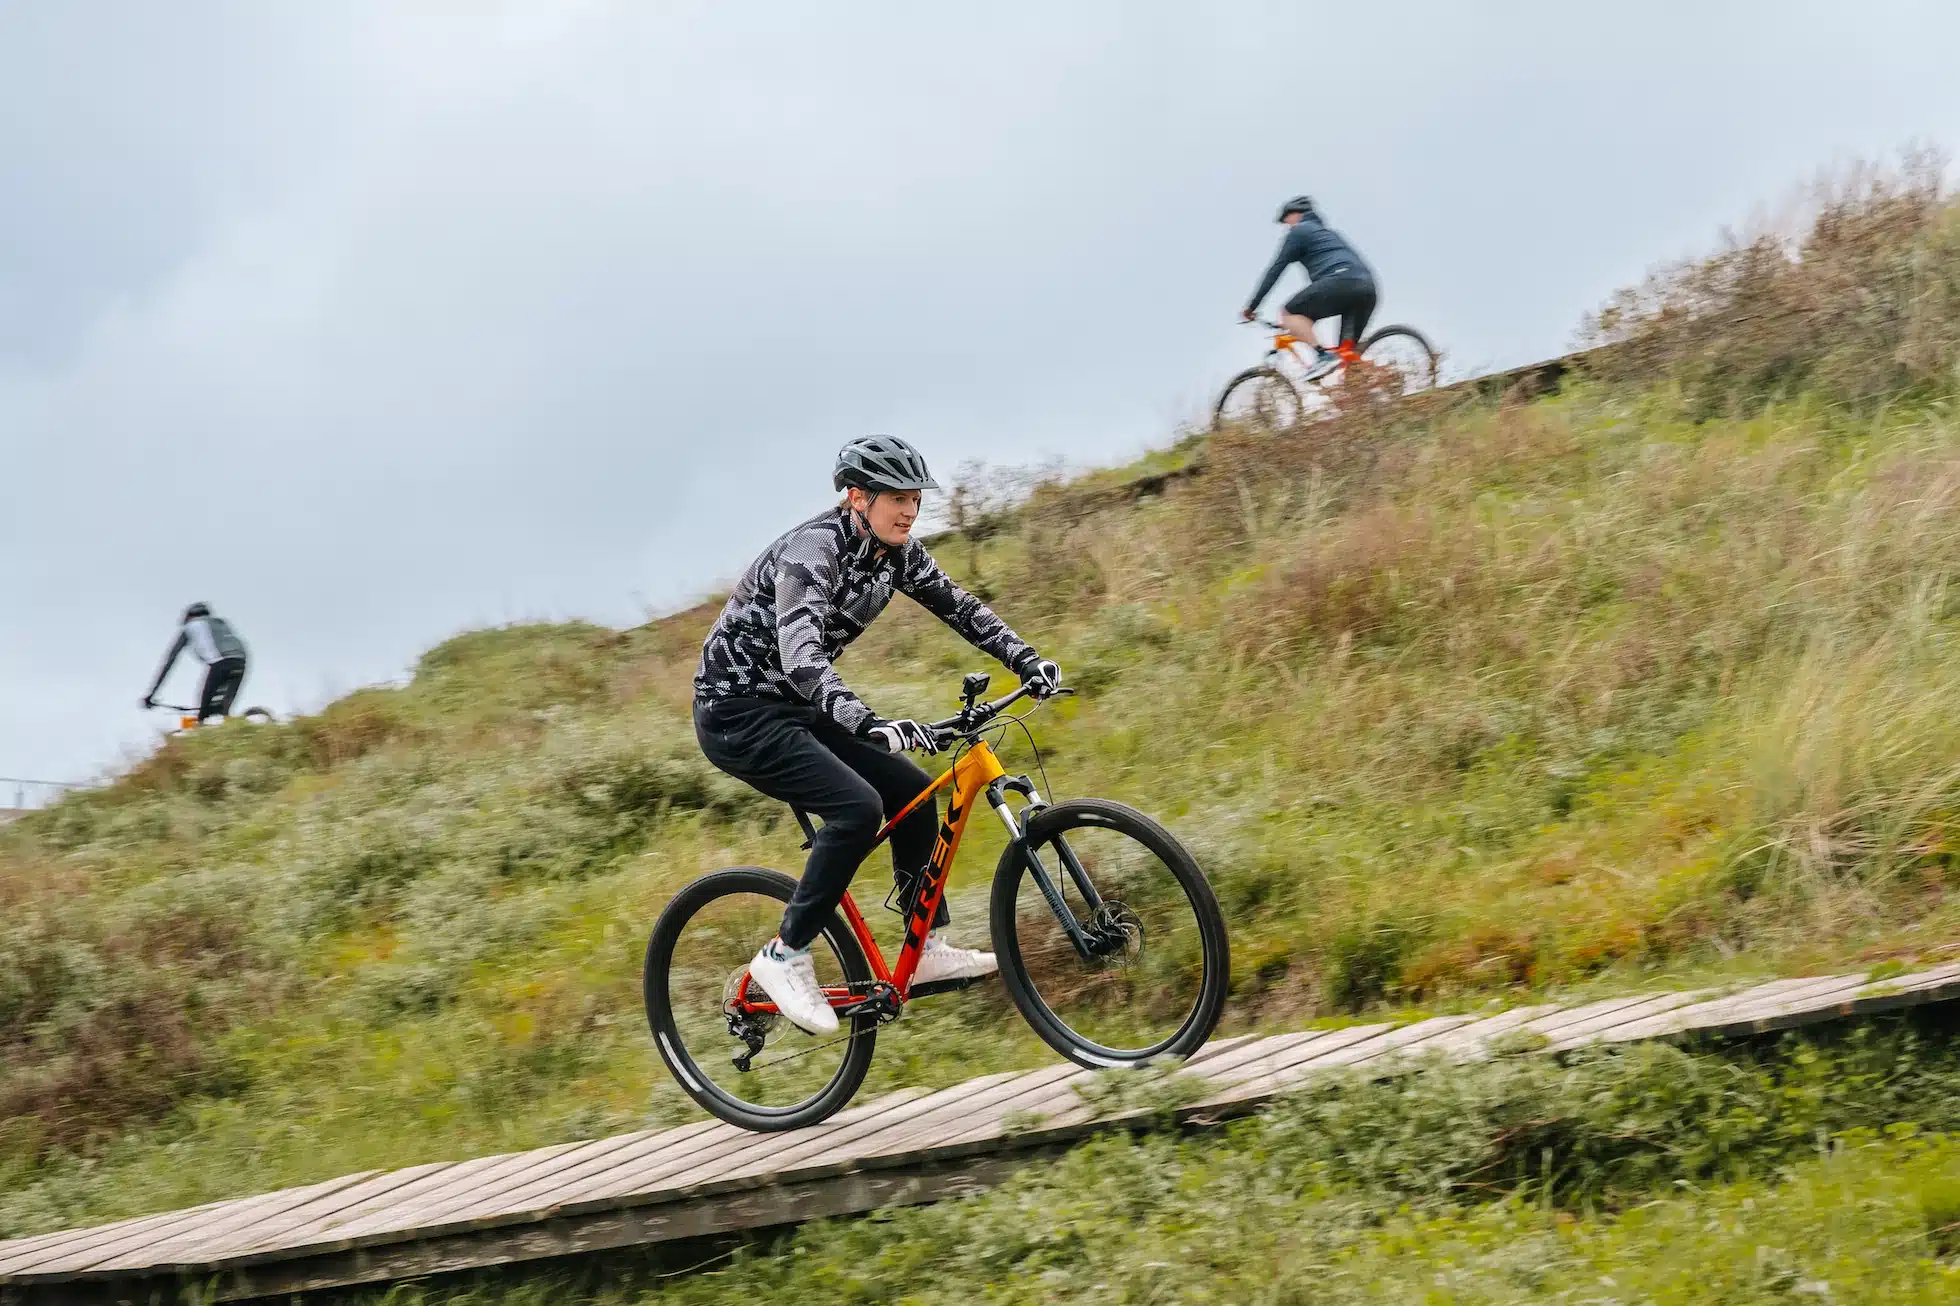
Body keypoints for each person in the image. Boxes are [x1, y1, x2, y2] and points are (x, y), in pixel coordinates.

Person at [693, 435, 1062, 1035]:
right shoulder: (812, 551)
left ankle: (929, 950)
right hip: (738, 713)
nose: (910, 511)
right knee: (858, 809)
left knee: (914, 795)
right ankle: (783, 957)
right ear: (857, 496)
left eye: (916, 499)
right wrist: (866, 722)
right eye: (898, 499)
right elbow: (802, 654)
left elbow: (962, 608)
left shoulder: (899, 555)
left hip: (797, 708)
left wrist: (1027, 660)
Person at [1241, 194, 1378, 382]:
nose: (1286, 225)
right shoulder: (1329, 234)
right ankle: (1385, 381)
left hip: (1340, 282)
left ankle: (1321, 356)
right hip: (1366, 288)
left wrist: (1252, 306)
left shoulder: (1298, 232)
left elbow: (1275, 270)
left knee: (1289, 313)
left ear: (1296, 214)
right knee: (1347, 358)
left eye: (1286, 220)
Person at [142, 602, 249, 723]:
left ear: (189, 617)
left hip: (221, 664)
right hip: (240, 662)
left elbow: (169, 661)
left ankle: (205, 727)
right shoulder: (220, 623)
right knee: (222, 709)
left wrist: (151, 694)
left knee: (204, 715)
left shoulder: (190, 627)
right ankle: (235, 726)